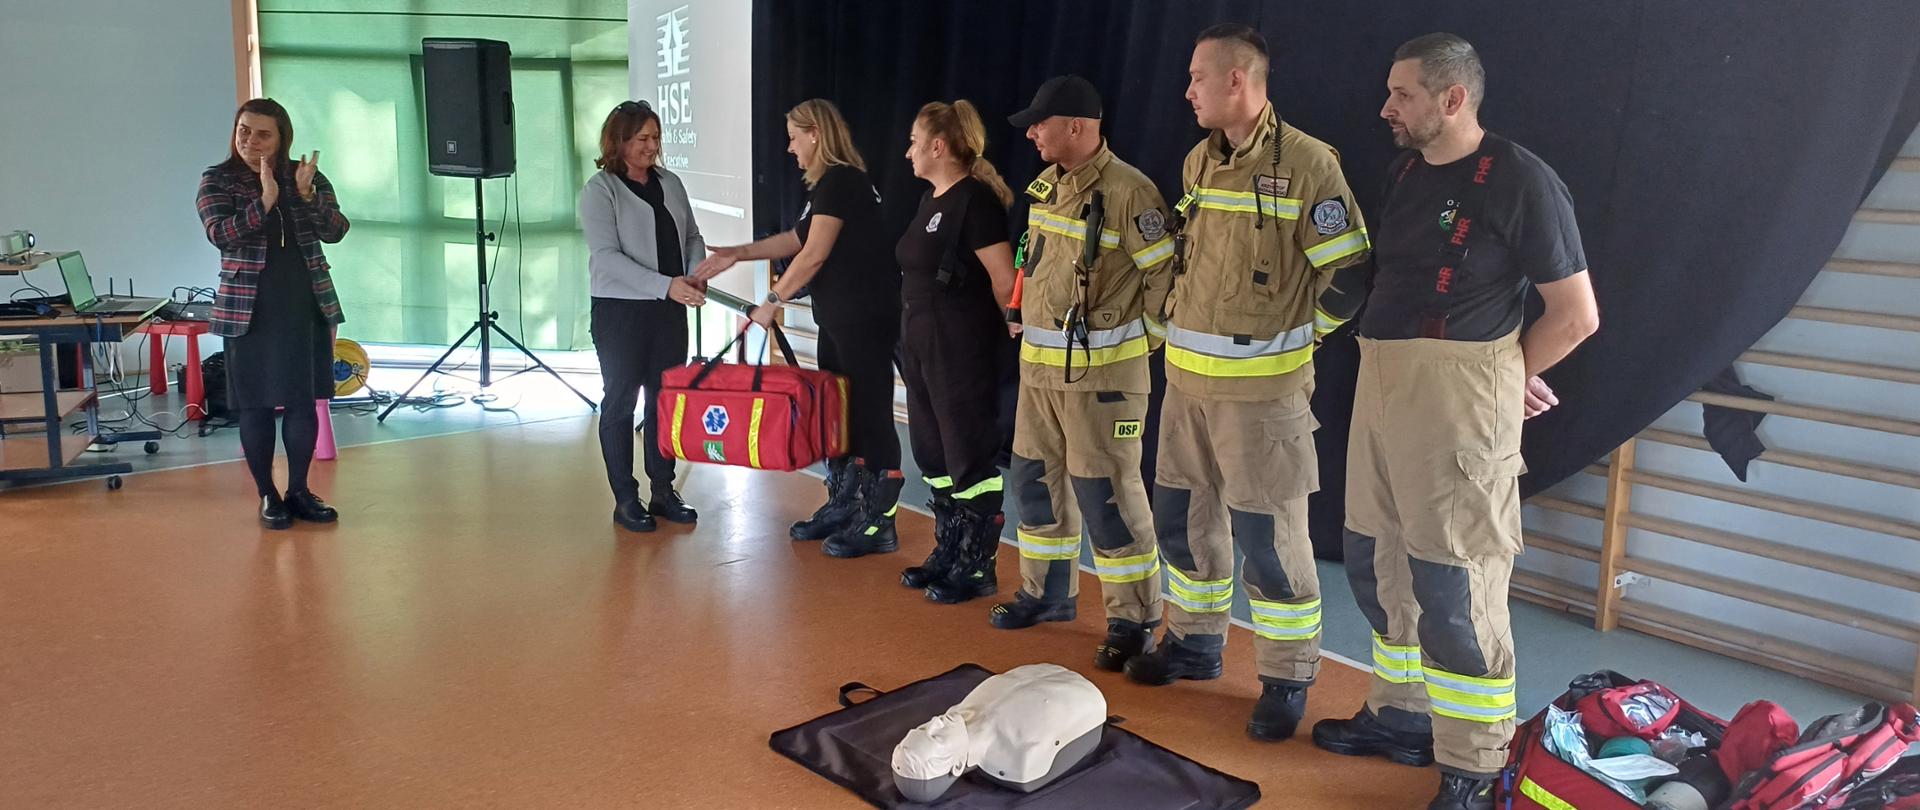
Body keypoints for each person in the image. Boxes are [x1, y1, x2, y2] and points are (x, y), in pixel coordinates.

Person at [1310, 34, 1598, 810]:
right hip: (1383, 382)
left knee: (1454, 583)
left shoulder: (1522, 182)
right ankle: (1401, 716)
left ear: (1452, 98)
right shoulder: (1405, 170)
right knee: (1377, 561)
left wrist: (1506, 380)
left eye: (1401, 94)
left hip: (1459, 392)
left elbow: (1575, 317)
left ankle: (1475, 762)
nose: (1385, 108)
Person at [1123, 25, 1376, 748]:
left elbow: (1350, 275)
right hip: (1186, 392)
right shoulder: (1200, 160)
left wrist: (1300, 340)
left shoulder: (1307, 164)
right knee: (1181, 523)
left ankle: (1288, 677)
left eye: (1199, 77)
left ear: (1238, 79)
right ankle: (1196, 643)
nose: (1188, 90)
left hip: (1262, 401)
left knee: (1269, 543)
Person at [988, 75, 1173, 673]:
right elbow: (1035, 264)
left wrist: (1134, 345)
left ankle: (1134, 618)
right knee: (1034, 482)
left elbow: (1167, 281)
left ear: (1077, 126)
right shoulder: (1048, 186)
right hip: (1040, 374)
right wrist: (1019, 309)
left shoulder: (1129, 192)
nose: (1033, 134)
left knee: (1107, 496)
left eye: (1040, 124)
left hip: (1104, 383)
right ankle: (1048, 593)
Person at [693, 99, 904, 558]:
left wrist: (772, 302)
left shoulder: (844, 181)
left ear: (815, 134)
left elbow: (814, 254)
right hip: (839, 320)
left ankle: (879, 524)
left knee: (870, 414)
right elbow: (796, 239)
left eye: (793, 136)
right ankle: (845, 504)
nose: (789, 148)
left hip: (865, 319)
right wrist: (737, 252)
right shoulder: (826, 187)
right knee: (840, 413)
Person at [196, 98, 349, 530]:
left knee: (304, 402)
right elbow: (222, 235)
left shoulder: (306, 176)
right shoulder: (217, 180)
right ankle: (268, 494)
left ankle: (299, 490)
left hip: (305, 305)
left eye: (263, 133)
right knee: (255, 407)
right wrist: (263, 201)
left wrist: (305, 195)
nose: (250, 140)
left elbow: (336, 230)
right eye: (244, 130)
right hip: (250, 310)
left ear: (282, 138)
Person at [889, 100, 1018, 604]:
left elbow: (1004, 281)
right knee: (931, 452)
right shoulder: (932, 199)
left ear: (938, 146)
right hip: (920, 341)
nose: (908, 153)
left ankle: (976, 565)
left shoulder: (976, 201)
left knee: (967, 454)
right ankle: (948, 549)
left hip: (959, 347)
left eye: (915, 143)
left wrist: (1014, 332)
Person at [578, 100, 705, 533]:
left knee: (665, 400)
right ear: (620, 142)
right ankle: (626, 498)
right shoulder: (600, 190)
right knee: (620, 401)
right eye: (643, 139)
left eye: (656, 138)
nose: (653, 146)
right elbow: (606, 258)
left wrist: (694, 275)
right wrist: (665, 285)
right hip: (620, 313)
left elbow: (691, 235)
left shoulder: (671, 182)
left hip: (669, 310)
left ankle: (664, 490)